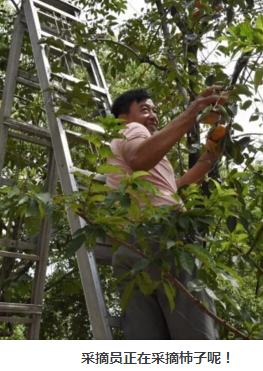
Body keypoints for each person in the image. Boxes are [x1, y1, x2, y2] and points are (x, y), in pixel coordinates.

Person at [105, 86, 228, 340]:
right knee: (197, 341)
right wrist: (193, 112)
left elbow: (182, 183)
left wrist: (211, 152)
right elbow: (139, 157)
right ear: (122, 119)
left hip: (129, 247)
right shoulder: (131, 130)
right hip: (162, 236)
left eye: (154, 110)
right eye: (144, 109)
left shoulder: (143, 158)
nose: (153, 116)